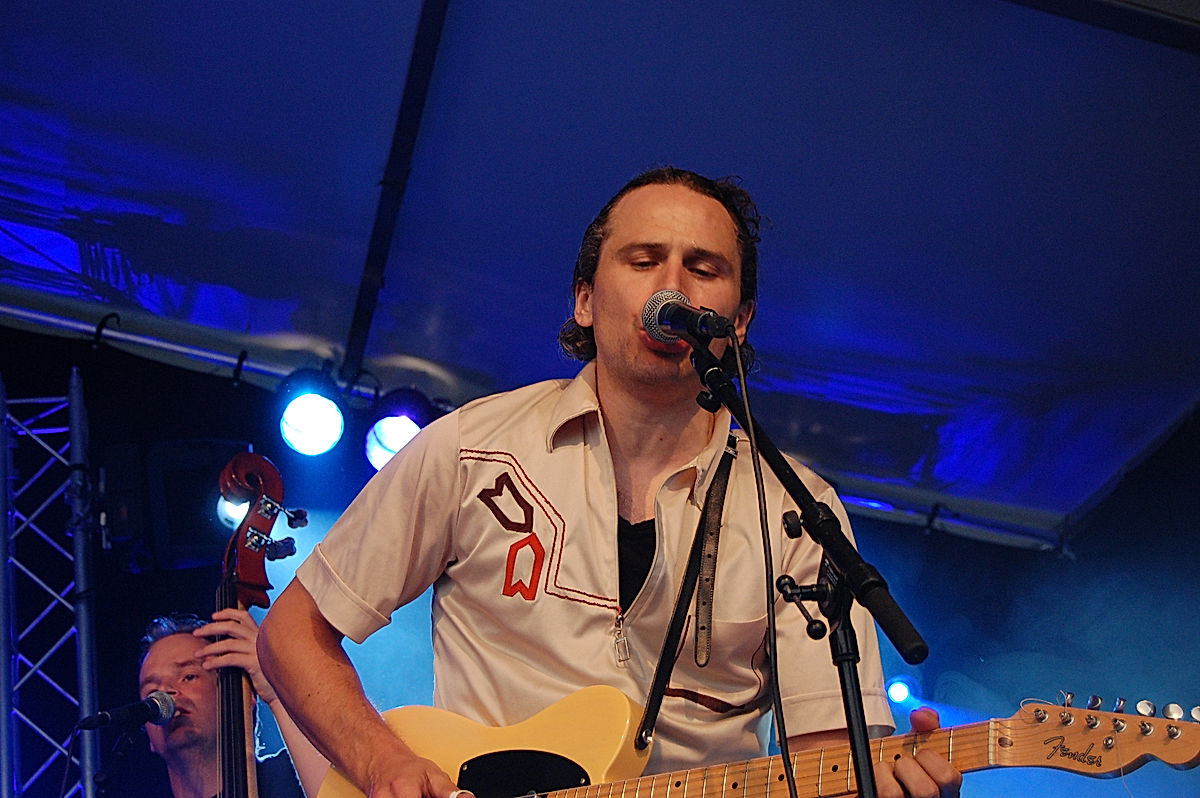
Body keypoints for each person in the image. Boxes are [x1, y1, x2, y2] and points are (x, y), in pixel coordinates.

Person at [258, 167, 963, 798]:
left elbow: (830, 767)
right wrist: (383, 762)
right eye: (645, 259)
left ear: (738, 322)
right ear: (586, 299)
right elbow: (292, 631)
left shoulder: (795, 514)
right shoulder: (473, 447)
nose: (674, 285)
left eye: (705, 267)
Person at [137, 609, 328, 798]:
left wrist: (276, 692)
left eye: (188, 677)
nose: (165, 693)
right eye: (152, 691)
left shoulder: (291, 776)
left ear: (240, 695)